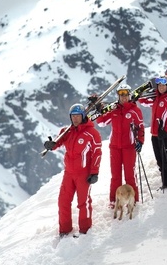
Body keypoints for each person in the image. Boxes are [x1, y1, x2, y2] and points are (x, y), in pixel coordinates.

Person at [43, 104, 101, 236]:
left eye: (78, 116)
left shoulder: (92, 133)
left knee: (83, 202)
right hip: (68, 173)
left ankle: (85, 229)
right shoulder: (67, 131)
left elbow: (97, 153)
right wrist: (51, 145)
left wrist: (94, 172)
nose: (75, 119)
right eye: (73, 116)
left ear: (83, 116)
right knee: (63, 201)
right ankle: (65, 229)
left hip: (83, 174)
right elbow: (58, 142)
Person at [92, 85, 144, 207]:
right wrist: (99, 109)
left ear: (129, 95)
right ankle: (114, 200)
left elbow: (140, 127)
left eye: (126, 94)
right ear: (118, 96)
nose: (124, 97)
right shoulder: (113, 110)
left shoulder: (134, 110)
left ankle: (134, 199)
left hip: (129, 147)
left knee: (129, 174)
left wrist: (140, 141)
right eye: (121, 95)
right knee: (115, 175)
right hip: (114, 146)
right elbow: (102, 122)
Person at [139, 76, 167, 188]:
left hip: (166, 135)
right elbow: (142, 100)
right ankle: (166, 183)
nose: (161, 87)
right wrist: (146, 89)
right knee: (160, 161)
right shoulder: (157, 98)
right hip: (155, 134)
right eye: (159, 85)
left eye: (163, 85)